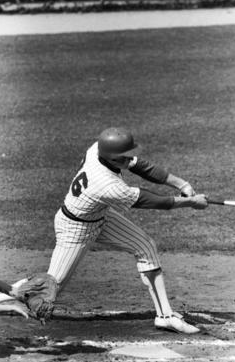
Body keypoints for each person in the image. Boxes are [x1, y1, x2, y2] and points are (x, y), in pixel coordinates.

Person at [46, 126, 208, 334]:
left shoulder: (99, 150)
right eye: (126, 156)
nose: (130, 158)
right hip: (75, 228)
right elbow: (150, 200)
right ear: (113, 159)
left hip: (99, 215)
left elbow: (141, 166)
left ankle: (165, 316)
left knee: (145, 246)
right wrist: (192, 202)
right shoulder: (107, 185)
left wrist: (181, 184)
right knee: (50, 288)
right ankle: (5, 296)